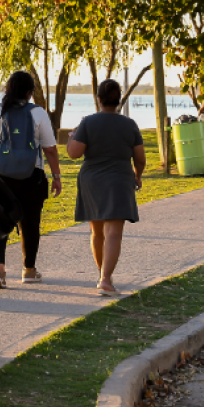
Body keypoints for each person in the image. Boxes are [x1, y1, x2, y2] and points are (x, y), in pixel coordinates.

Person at [0, 71, 63, 289]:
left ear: (8, 89)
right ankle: (29, 270)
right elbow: (50, 149)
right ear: (30, 93)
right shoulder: (38, 113)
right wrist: (57, 176)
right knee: (30, 222)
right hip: (32, 177)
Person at [67, 79, 146, 296]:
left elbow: (74, 153)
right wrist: (137, 176)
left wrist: (72, 136)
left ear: (99, 99)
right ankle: (105, 279)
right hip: (119, 180)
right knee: (114, 233)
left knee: (97, 232)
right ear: (118, 101)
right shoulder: (129, 124)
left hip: (92, 180)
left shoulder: (88, 123)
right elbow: (139, 158)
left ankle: (103, 276)